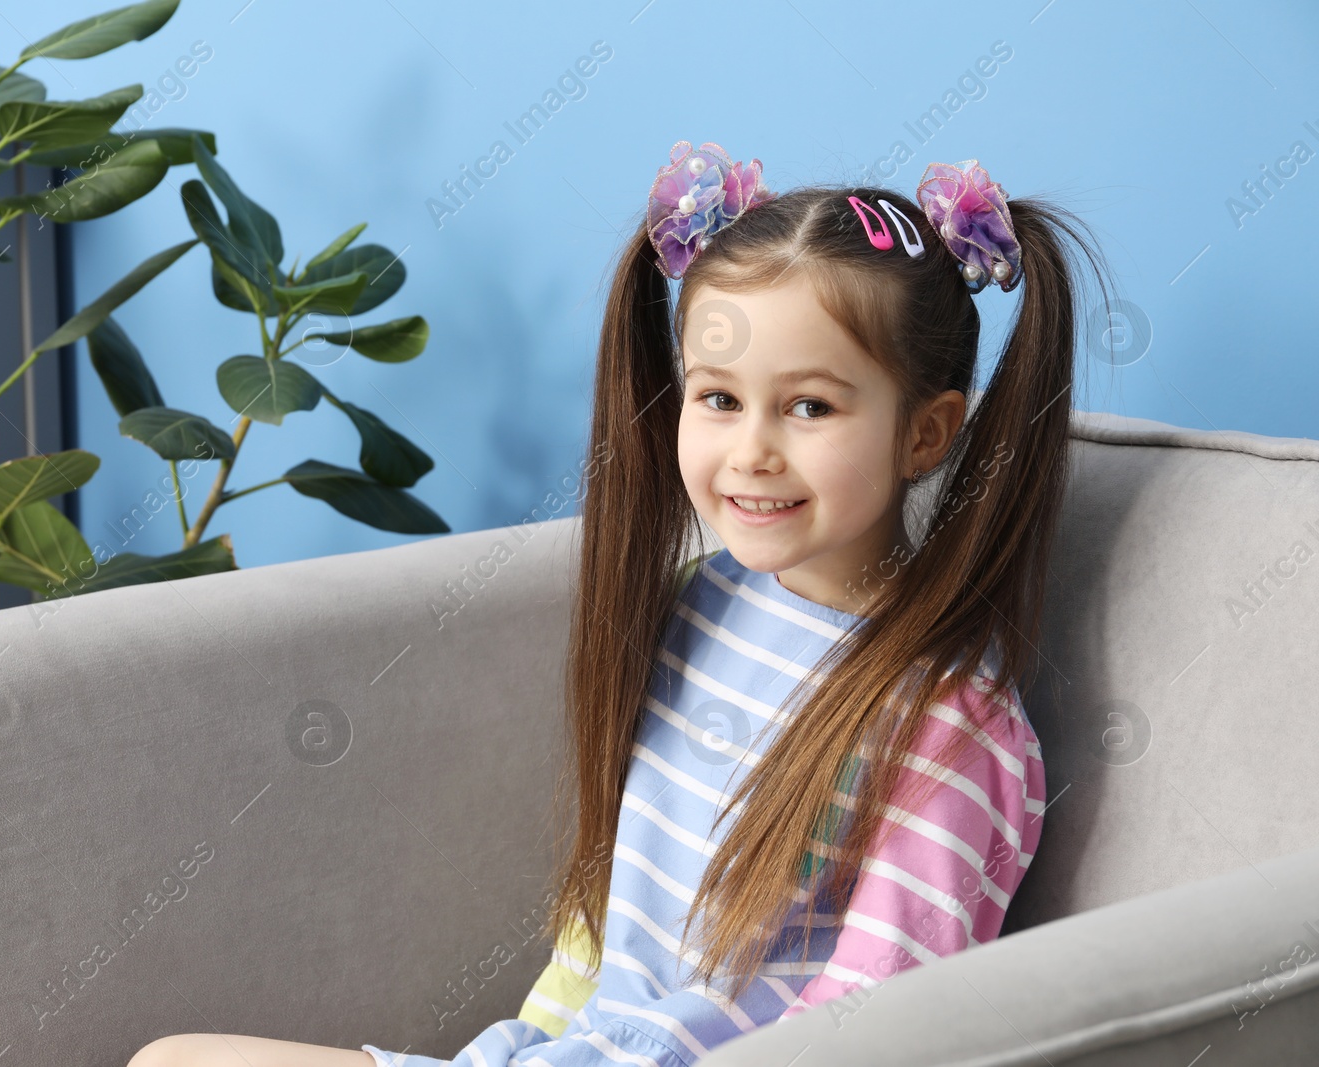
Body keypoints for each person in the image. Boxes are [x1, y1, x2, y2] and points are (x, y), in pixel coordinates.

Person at [128, 140, 1112, 1067]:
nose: (752, 450)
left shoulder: (953, 729)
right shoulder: (697, 603)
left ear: (926, 433)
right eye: (718, 398)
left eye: (809, 405)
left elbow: (879, 1029)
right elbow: (599, 935)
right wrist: (531, 1038)